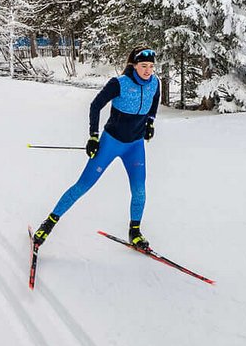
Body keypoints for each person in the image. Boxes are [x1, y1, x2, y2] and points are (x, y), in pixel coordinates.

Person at [33, 46, 162, 250]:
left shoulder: (154, 83)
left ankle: (135, 232)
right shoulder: (119, 84)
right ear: (134, 65)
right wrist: (93, 137)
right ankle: (47, 225)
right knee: (83, 185)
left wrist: (151, 122)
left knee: (139, 191)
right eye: (144, 66)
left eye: (151, 66)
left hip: (135, 146)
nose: (148, 70)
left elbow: (154, 102)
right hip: (111, 143)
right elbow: (95, 106)